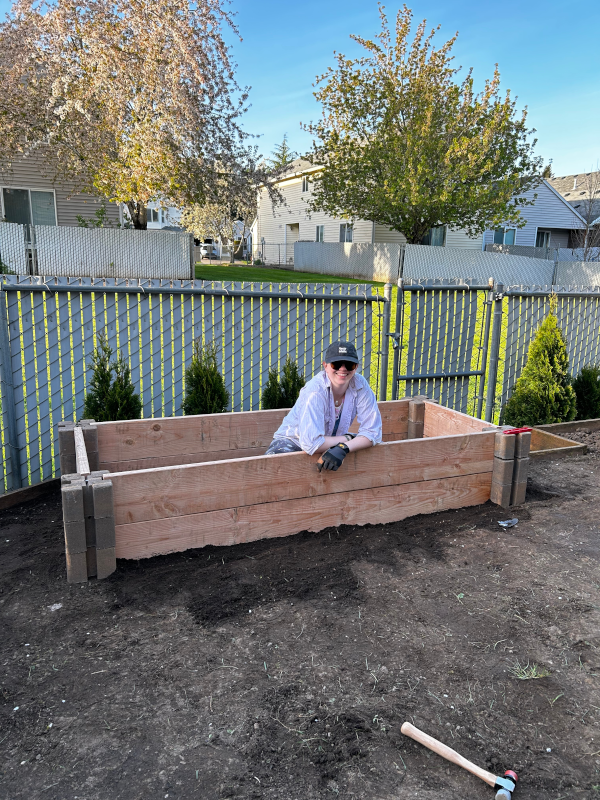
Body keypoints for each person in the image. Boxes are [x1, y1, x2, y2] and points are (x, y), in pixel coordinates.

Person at [265, 341, 382, 471]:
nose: (342, 369)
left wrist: (344, 447)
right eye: (336, 364)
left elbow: (373, 432)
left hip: (330, 446)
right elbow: (311, 443)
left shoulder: (360, 386)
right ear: (325, 366)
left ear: (356, 367)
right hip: (291, 444)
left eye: (349, 365)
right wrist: (348, 438)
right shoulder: (315, 391)